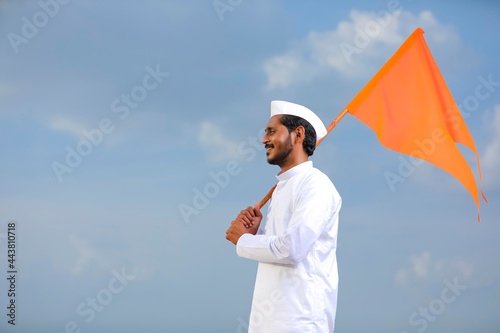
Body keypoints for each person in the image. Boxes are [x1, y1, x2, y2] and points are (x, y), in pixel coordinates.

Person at [226, 100, 342, 332]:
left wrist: (244, 240)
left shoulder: (316, 185)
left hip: (300, 322)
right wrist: (256, 233)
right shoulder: (283, 187)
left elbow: (293, 249)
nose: (264, 140)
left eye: (271, 131)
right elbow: (279, 250)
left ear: (298, 134)